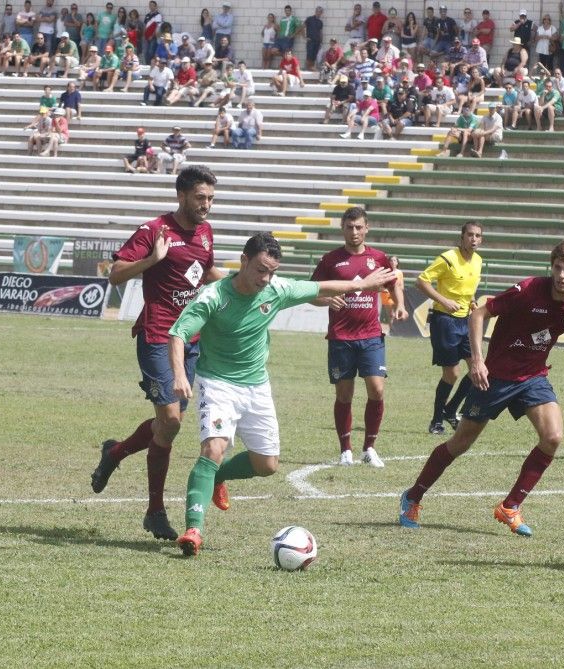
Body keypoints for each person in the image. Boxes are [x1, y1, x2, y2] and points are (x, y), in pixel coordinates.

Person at [168, 232, 395, 556]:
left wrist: (365, 283)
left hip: (257, 385)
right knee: (213, 448)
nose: (266, 278)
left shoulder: (276, 289)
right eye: (261, 269)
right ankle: (194, 529)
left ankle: (218, 477)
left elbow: (321, 288)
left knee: (267, 464)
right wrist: (179, 373)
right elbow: (178, 333)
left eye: (272, 271)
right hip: (216, 383)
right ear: (244, 262)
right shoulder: (214, 296)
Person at [399, 240, 564, 534]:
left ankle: (510, 506)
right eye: (557, 268)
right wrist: (477, 361)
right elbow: (479, 315)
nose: (561, 276)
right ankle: (413, 496)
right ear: (550, 267)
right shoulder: (527, 289)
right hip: (495, 377)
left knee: (553, 437)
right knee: (460, 444)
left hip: (533, 377)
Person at [90, 166, 226, 541]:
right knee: (170, 420)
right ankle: (155, 510)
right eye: (201, 198)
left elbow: (207, 271)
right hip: (156, 336)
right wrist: (153, 259)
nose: (206, 205)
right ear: (181, 195)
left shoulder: (205, 232)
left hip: (191, 340)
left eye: (211, 199)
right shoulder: (155, 230)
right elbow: (115, 274)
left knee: (168, 426)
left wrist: (241, 283)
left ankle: (116, 452)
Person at [310, 206, 406, 467]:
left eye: (359, 227)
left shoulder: (379, 258)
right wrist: (327, 300)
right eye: (350, 227)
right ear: (342, 228)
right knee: (344, 394)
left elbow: (394, 281)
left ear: (366, 228)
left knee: (376, 389)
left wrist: (399, 304)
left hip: (371, 336)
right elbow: (312, 293)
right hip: (341, 337)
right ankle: (346, 450)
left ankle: (370, 448)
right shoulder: (330, 260)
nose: (354, 232)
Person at [416, 221, 483, 435]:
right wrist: (443, 300)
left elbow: (468, 287)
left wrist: (472, 300)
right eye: (470, 234)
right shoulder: (447, 258)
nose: (473, 239)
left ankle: (451, 409)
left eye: (478, 235)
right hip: (444, 320)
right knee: (452, 374)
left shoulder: (479, 260)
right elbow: (422, 281)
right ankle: (436, 420)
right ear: (462, 237)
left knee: (478, 371)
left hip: (466, 320)